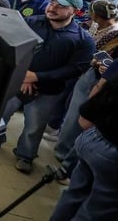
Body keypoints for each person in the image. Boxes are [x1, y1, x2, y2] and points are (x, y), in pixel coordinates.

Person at [1, 0, 95, 174]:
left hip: (48, 90)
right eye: (51, 3)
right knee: (0, 115)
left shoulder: (82, 39)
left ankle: (25, 155)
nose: (52, 8)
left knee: (34, 126)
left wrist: (37, 77)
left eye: (60, 6)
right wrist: (22, 74)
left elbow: (75, 69)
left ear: (74, 11)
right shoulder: (30, 22)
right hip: (17, 81)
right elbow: (14, 45)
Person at [54, 0, 118, 170]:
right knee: (71, 111)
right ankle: (64, 148)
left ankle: (64, 154)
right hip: (91, 74)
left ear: (96, 14)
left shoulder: (113, 33)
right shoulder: (98, 26)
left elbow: (101, 56)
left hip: (97, 77)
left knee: (77, 115)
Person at [49, 78, 118, 221]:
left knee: (75, 193)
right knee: (97, 210)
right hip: (112, 154)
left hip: (93, 138)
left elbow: (87, 112)